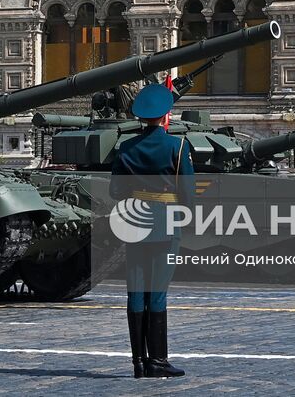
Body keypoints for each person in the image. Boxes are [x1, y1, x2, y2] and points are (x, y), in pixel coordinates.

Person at [111, 83, 192, 378]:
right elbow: (188, 194)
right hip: (165, 224)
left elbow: (116, 190)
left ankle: (138, 362)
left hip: (134, 224)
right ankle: (157, 361)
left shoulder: (126, 148)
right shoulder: (177, 146)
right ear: (165, 115)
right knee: (157, 293)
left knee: (135, 290)